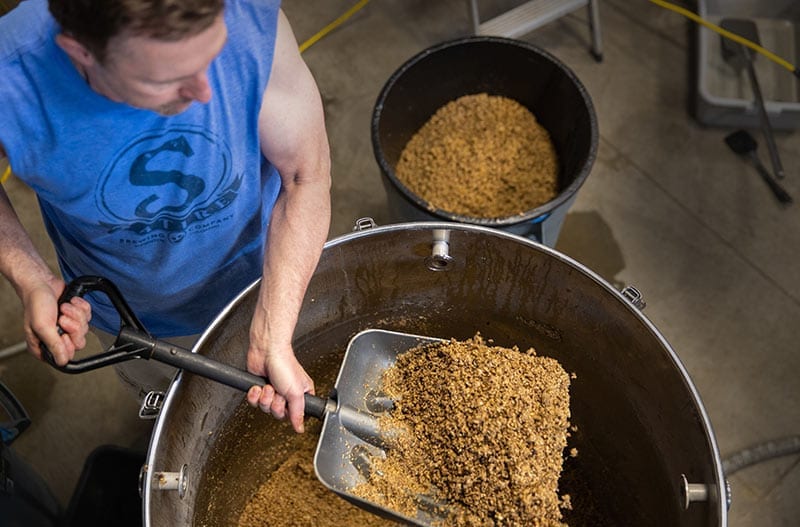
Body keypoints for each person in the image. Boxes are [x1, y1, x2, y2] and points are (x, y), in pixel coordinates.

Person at [0, 0, 331, 434]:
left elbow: (304, 176)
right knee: (185, 420)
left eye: (212, 56)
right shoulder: (11, 79)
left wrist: (274, 328)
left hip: (273, 273)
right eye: (169, 79)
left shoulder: (248, 15)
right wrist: (30, 277)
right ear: (81, 52)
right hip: (133, 315)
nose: (205, 93)